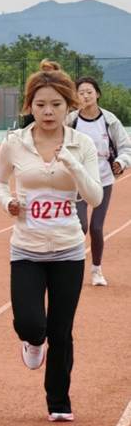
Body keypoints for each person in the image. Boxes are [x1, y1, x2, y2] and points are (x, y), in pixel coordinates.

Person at [0, 60, 102, 423]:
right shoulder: (14, 143)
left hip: (68, 250)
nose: (48, 112)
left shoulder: (81, 144)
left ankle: (58, 400)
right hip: (26, 248)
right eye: (40, 104)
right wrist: (8, 201)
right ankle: (33, 341)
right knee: (30, 323)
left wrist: (73, 165)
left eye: (56, 104)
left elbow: (95, 196)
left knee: (62, 330)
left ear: (69, 106)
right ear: (30, 106)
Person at [66, 76, 131, 286]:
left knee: (96, 227)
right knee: (80, 226)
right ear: (76, 96)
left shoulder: (110, 121)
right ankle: (71, 269)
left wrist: (120, 162)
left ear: (97, 94)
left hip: (103, 179)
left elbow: (126, 147)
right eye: (81, 93)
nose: (85, 96)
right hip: (78, 180)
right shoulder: (71, 120)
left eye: (89, 92)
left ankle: (96, 270)